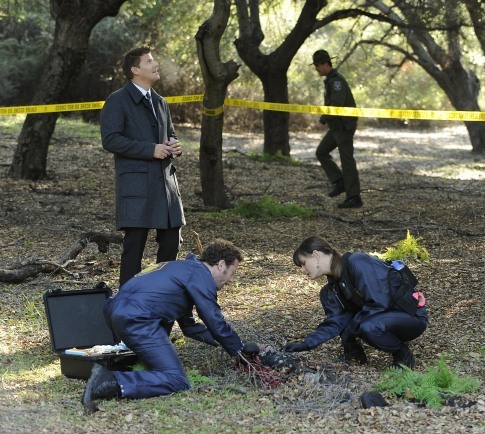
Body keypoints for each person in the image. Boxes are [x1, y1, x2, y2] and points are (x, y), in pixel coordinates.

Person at [82, 239, 259, 413]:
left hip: (117, 312)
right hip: (138, 319)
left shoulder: (183, 269)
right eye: (232, 273)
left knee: (164, 333)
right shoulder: (200, 276)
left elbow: (189, 327)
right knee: (176, 380)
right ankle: (108, 381)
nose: (230, 280)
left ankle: (123, 373)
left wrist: (223, 343)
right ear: (221, 265)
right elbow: (213, 319)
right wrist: (239, 349)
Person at [100, 46, 185, 288]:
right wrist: (150, 149)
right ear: (136, 70)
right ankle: (127, 303)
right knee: (134, 247)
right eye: (149, 61)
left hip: (166, 185)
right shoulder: (117, 100)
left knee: (171, 244)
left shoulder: (161, 102)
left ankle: (162, 295)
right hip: (137, 186)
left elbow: (169, 134)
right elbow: (111, 139)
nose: (155, 64)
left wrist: (174, 145)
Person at [282, 236, 428, 369]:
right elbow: (335, 321)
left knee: (367, 326)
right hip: (383, 319)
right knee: (350, 322)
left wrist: (352, 328)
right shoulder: (331, 290)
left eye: (303, 263)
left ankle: (402, 354)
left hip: (410, 316)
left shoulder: (356, 262)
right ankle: (356, 356)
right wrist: (307, 343)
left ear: (316, 255)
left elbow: (380, 303)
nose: (302, 270)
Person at [310, 49, 363, 209]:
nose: (316, 69)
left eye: (317, 65)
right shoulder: (330, 80)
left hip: (344, 126)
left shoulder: (336, 81)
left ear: (325, 64)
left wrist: (322, 121)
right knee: (321, 152)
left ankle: (354, 197)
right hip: (336, 127)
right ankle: (340, 182)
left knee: (347, 161)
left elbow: (336, 104)